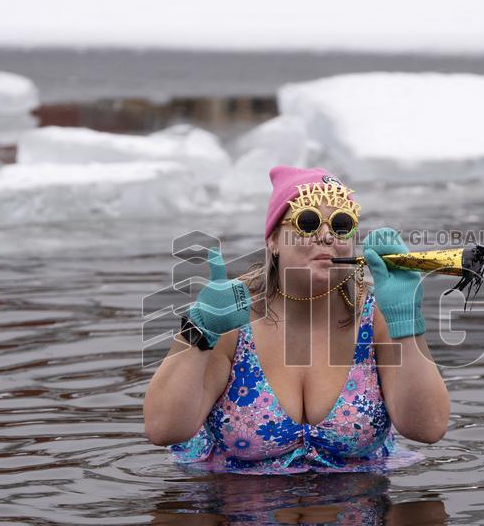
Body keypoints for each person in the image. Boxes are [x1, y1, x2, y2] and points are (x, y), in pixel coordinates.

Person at [142, 166, 450, 473]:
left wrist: (406, 321)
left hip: (360, 506)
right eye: (308, 222)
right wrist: (199, 329)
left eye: (342, 224)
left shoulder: (378, 317)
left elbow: (428, 429)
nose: (327, 235)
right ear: (273, 240)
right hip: (233, 508)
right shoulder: (231, 319)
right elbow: (163, 429)